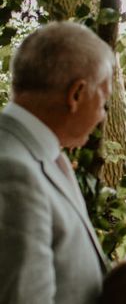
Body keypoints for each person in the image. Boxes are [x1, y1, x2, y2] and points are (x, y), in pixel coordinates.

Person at [0, 21, 113, 304]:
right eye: (104, 100)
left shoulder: (46, 155)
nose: (102, 115)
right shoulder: (13, 171)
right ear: (76, 94)